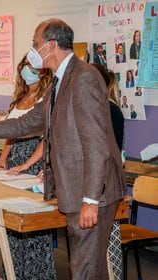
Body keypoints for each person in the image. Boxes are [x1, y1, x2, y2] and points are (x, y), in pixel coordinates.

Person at [0, 19, 126, 279]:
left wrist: (90, 200)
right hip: (76, 189)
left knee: (85, 269)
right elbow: (27, 123)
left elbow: (96, 145)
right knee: (85, 268)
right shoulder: (59, 81)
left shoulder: (83, 77)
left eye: (35, 44)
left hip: (93, 192)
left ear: (51, 45)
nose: (32, 50)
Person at [0, 55, 55, 280]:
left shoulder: (46, 98)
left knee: (33, 220)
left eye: (31, 68)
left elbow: (46, 138)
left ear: (42, 71)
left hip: (35, 159)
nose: (26, 72)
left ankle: (34, 274)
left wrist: (27, 164)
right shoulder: (19, 98)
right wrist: (2, 159)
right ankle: (11, 270)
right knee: (12, 218)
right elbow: (11, 132)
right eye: (23, 68)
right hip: (17, 158)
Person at [92, 63, 125, 280]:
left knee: (108, 243)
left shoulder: (111, 111)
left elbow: (103, 150)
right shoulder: (94, 108)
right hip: (94, 184)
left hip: (105, 186)